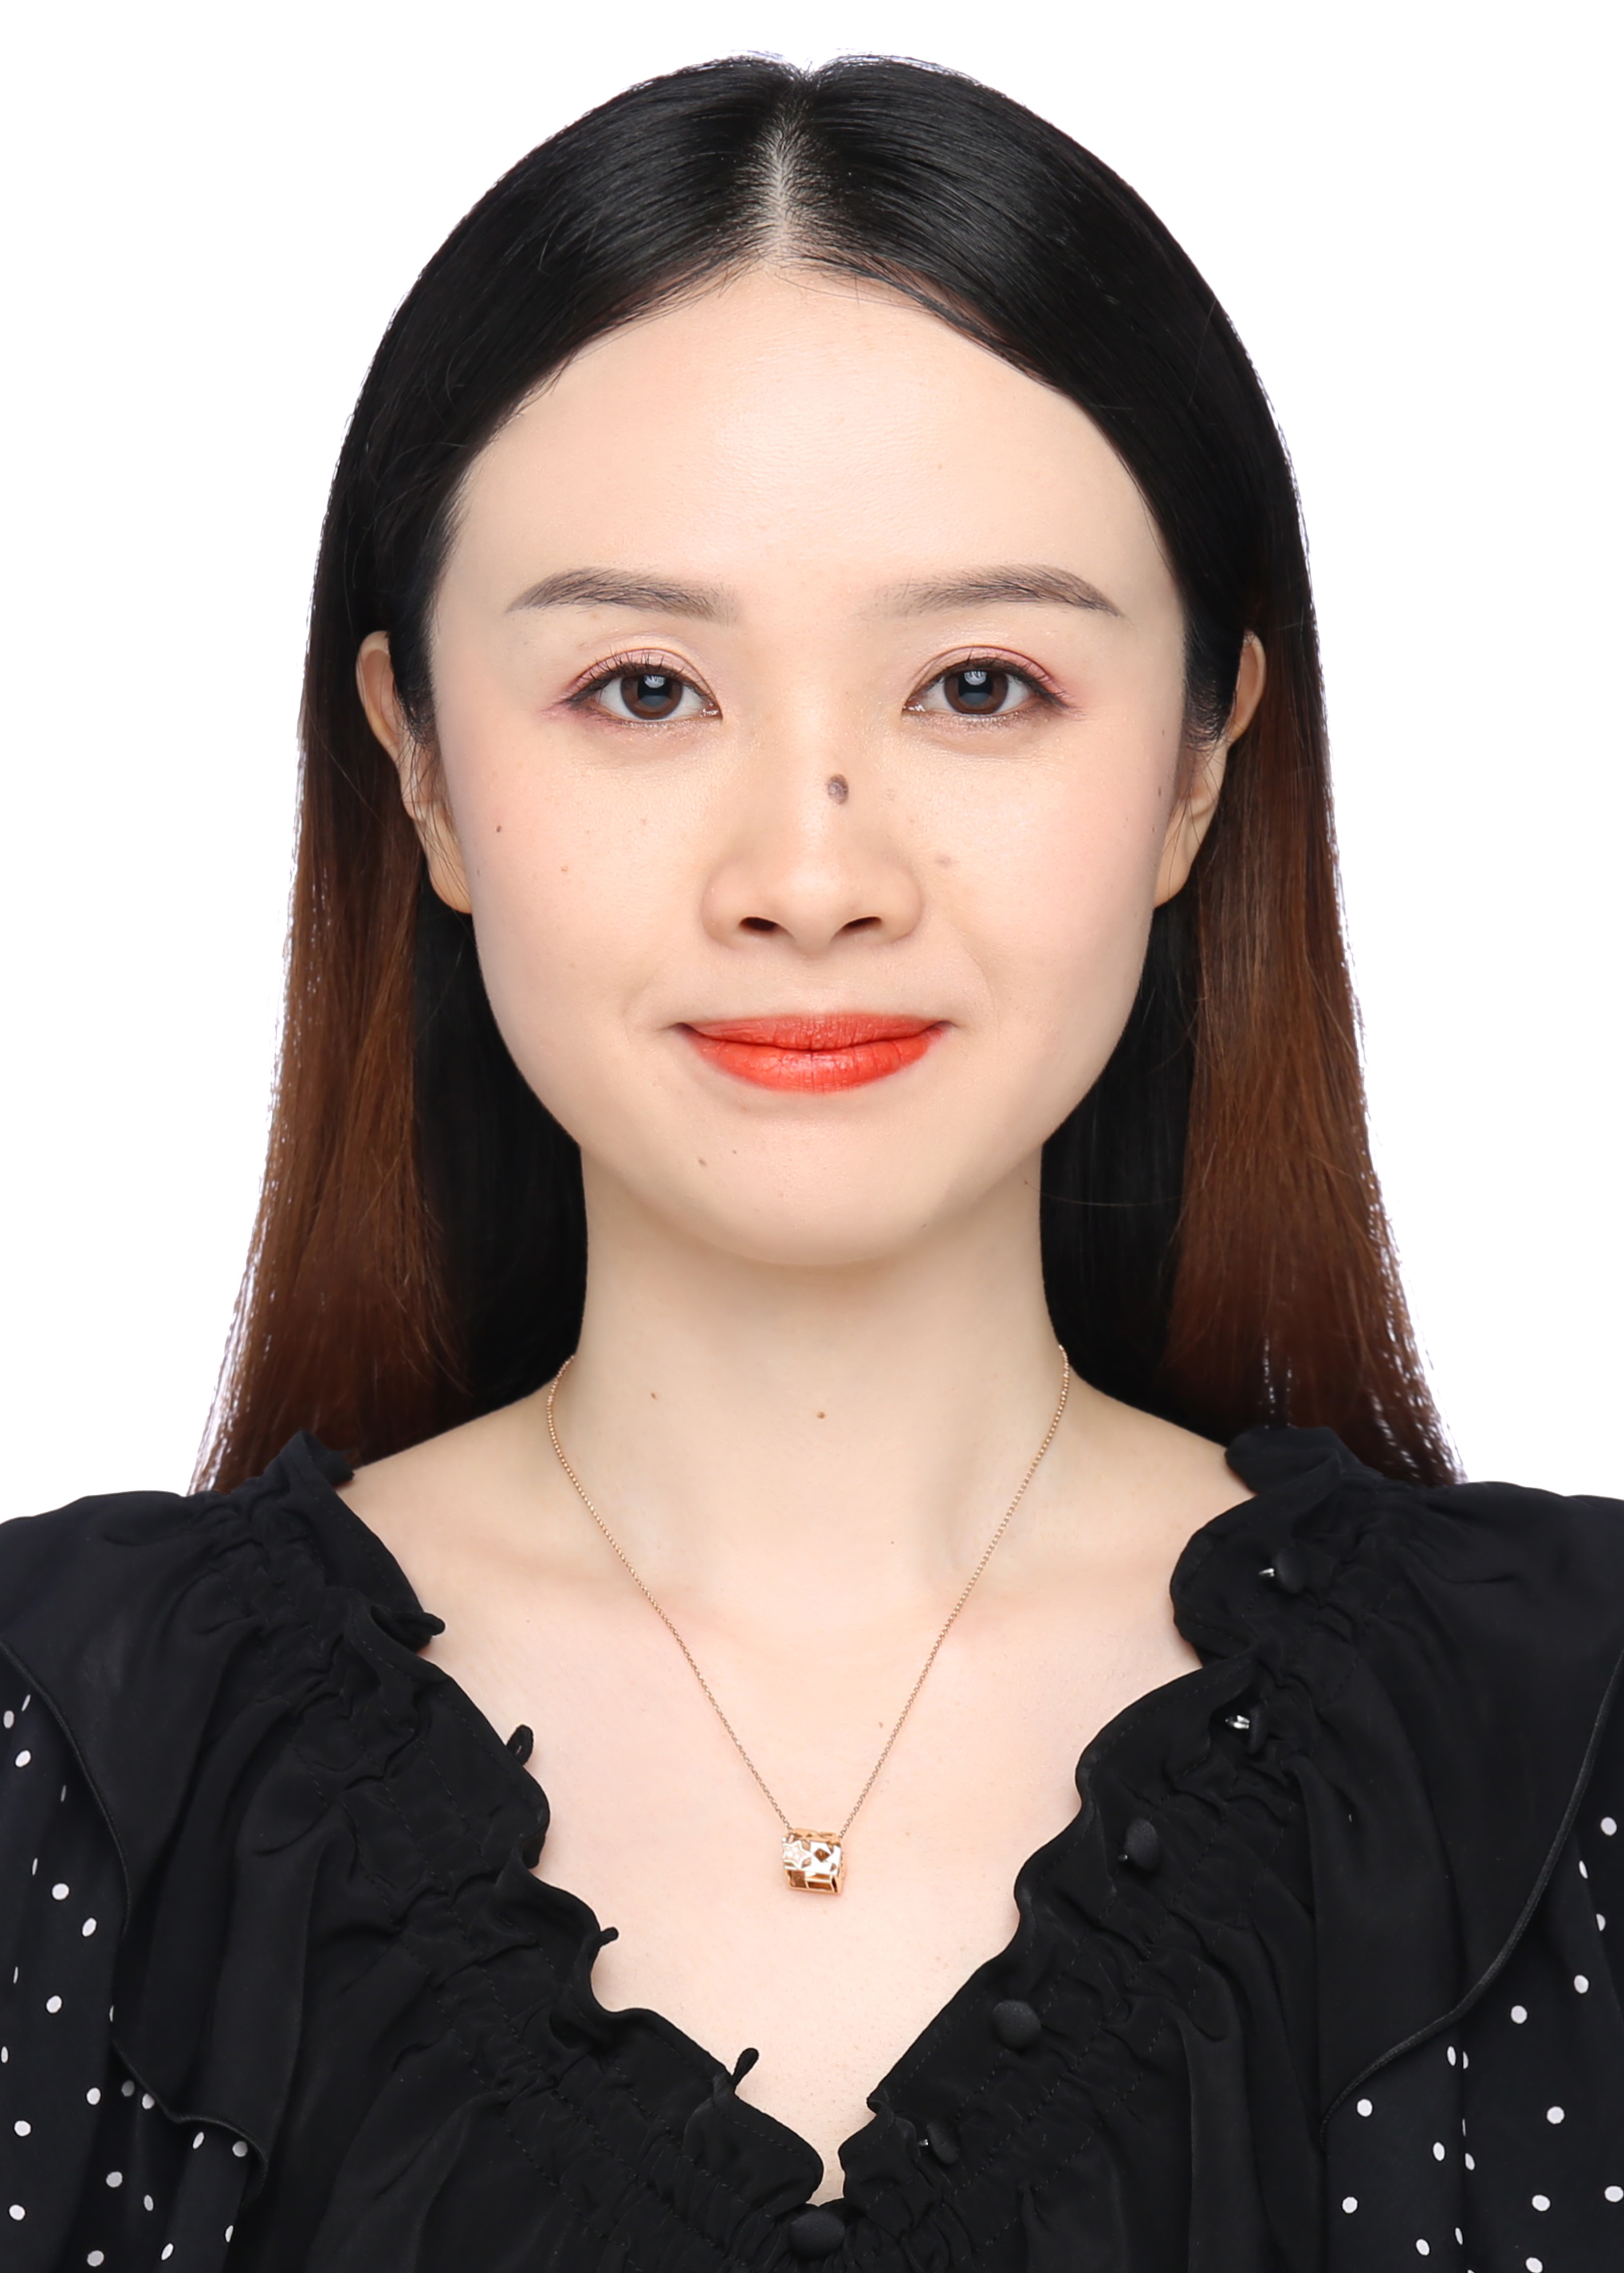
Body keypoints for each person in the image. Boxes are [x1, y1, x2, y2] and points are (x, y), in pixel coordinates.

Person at [2, 53, 1620, 2273]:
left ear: (1198, 768)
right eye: (643, 690)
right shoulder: (60, 1759)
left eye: (982, 685)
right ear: (422, 770)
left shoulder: (1577, 1742)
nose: (810, 874)